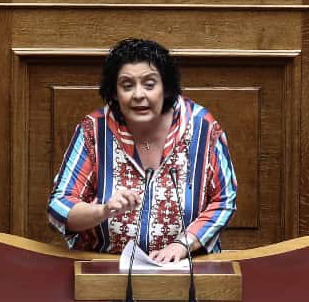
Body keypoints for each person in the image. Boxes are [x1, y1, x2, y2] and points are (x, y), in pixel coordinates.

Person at [48, 38, 237, 263]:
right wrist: (103, 211)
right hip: (107, 267)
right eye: (127, 85)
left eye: (149, 84)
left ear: (166, 88)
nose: (138, 95)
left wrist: (184, 243)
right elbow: (60, 206)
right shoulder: (94, 130)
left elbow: (224, 200)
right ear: (115, 92)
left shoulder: (202, 128)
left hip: (184, 268)